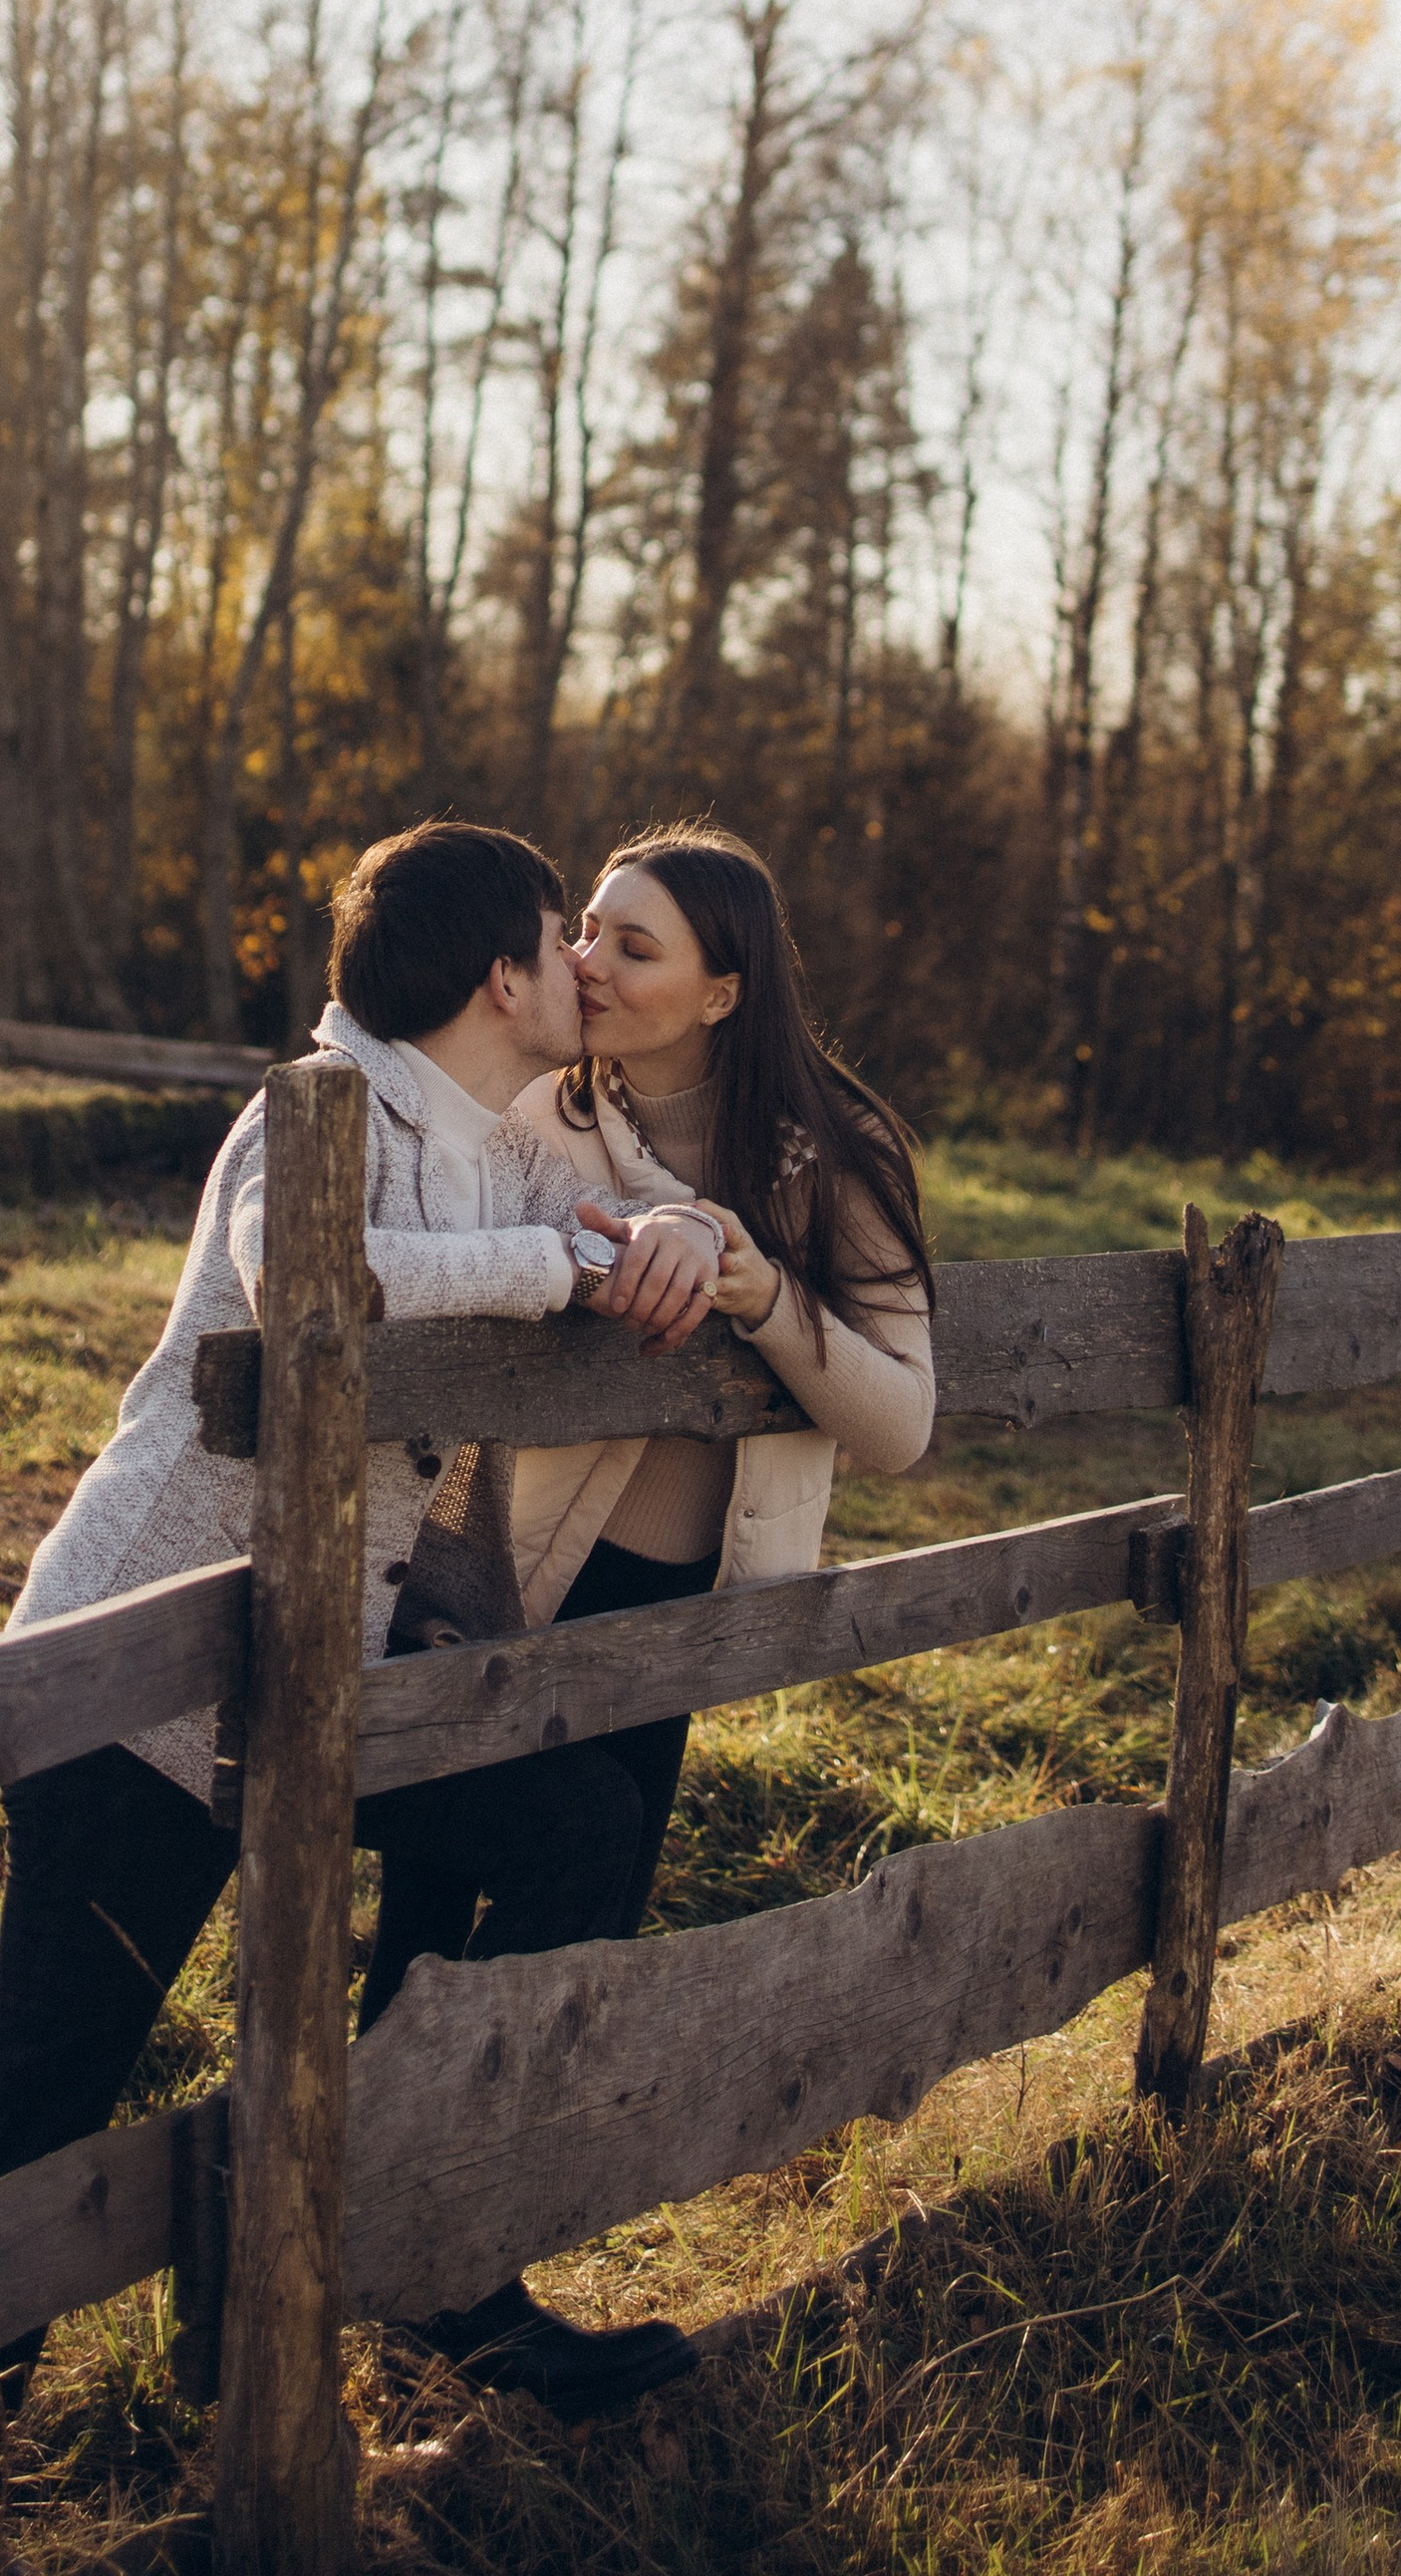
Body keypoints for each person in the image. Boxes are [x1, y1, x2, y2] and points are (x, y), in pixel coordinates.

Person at [0, 823, 723, 2576]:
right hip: (144, 1686)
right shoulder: (309, 1104)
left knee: (576, 1821)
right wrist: (560, 1266)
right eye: (562, 935)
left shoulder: (495, 1136)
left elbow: (598, 1221)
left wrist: (670, 1239)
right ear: (499, 974)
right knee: (52, 2093)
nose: (581, 964)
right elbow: (317, 1285)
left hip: (324, 1682)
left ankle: (426, 2256)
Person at [360, 820, 937, 2026]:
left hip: (667, 1599)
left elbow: (899, 1425)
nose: (586, 962)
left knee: (586, 1929)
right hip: (498, 1564)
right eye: (583, 933)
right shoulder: (534, 1114)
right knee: (420, 1924)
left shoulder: (835, 1153)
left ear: (721, 992)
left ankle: (495, 2173)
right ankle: (369, 2168)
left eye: (633, 946)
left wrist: (770, 1298)